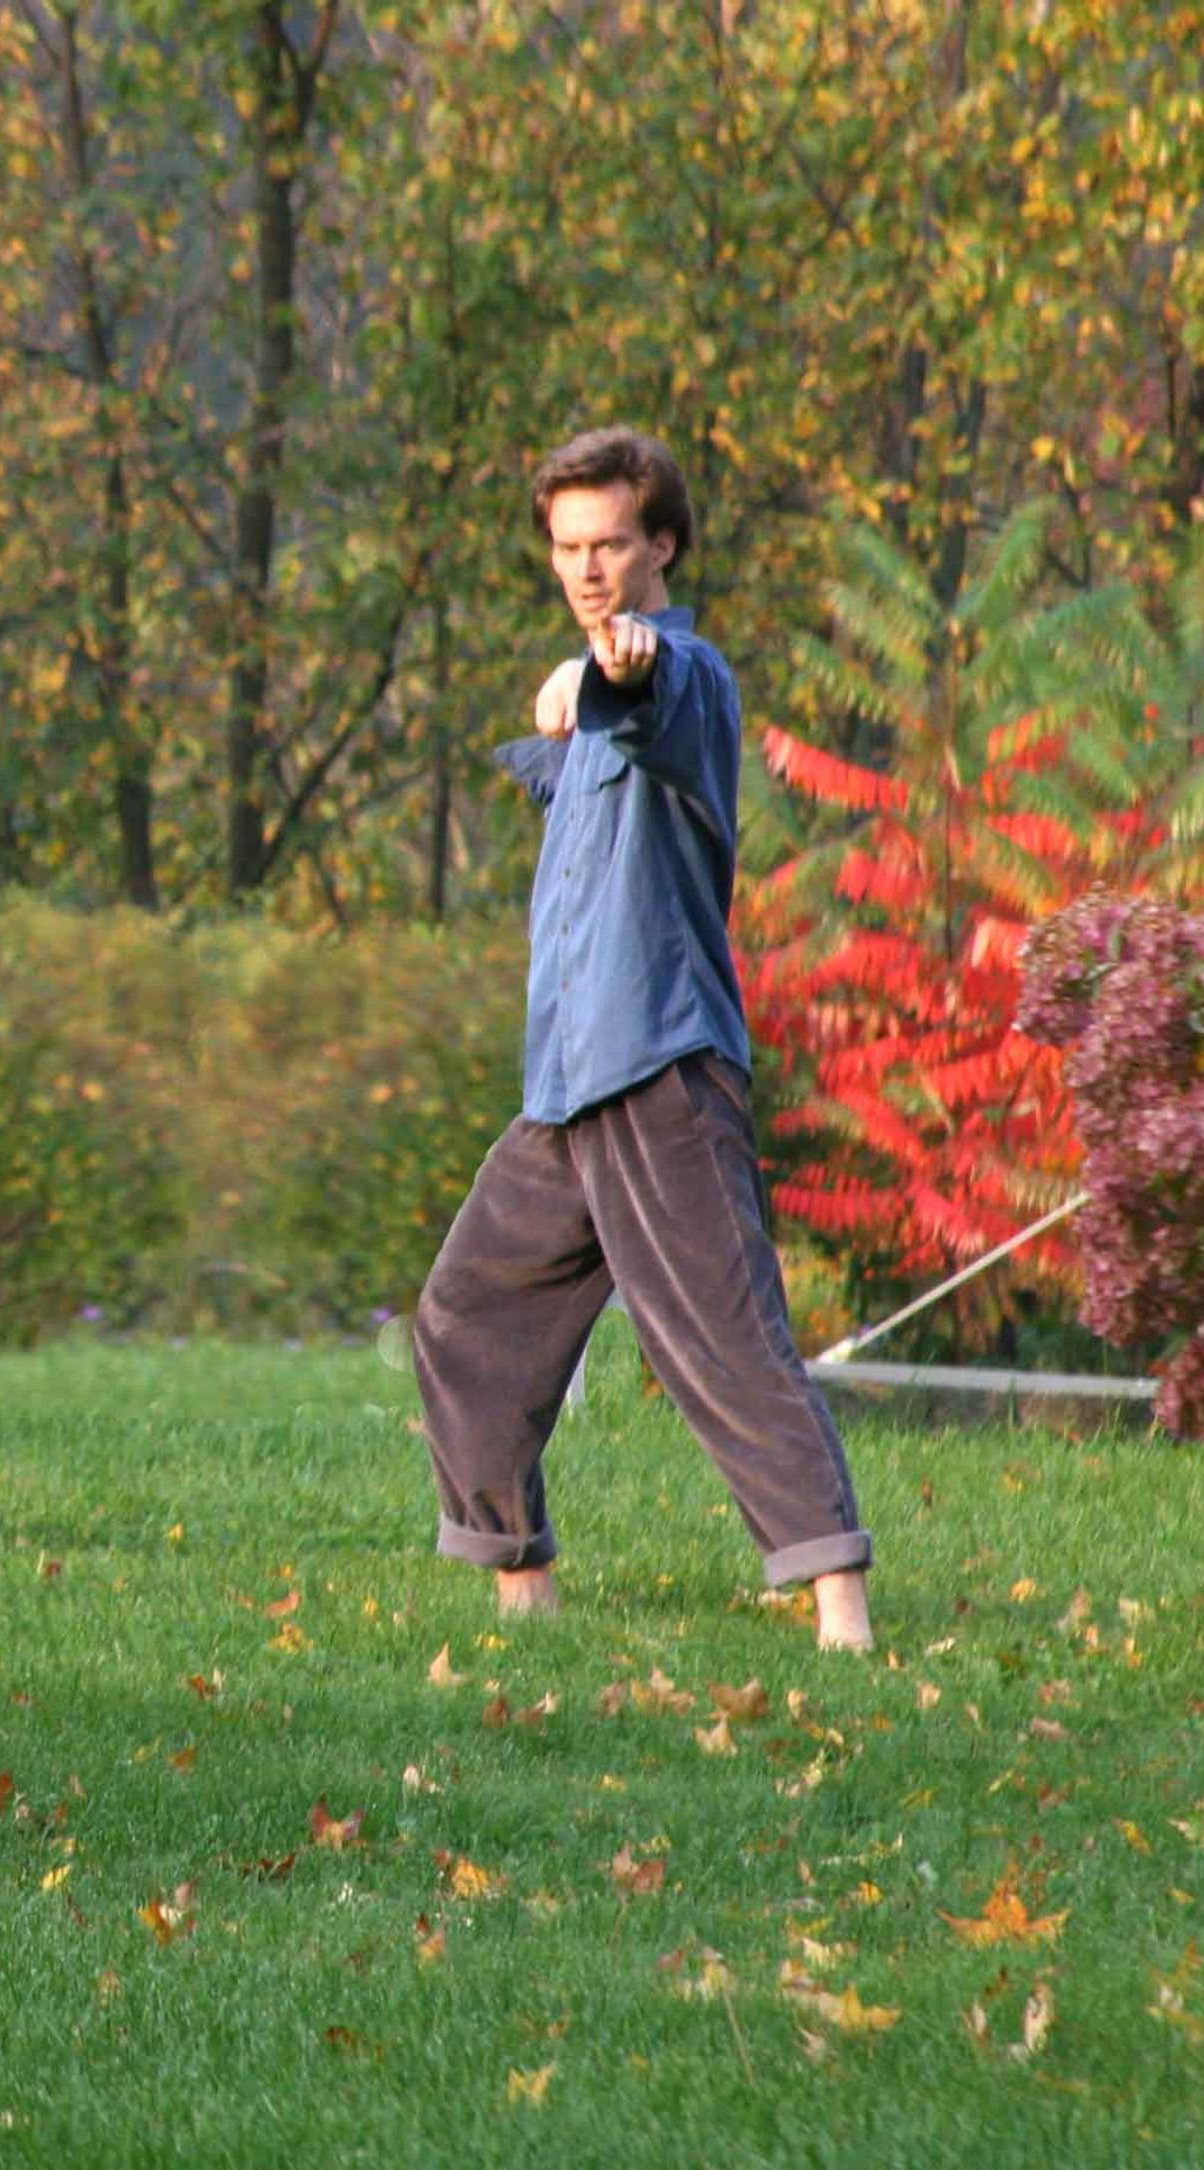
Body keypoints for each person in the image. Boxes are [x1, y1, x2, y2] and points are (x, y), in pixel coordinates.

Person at [413, 427, 876, 1652]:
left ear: (659, 542)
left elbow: (645, 691)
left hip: (663, 1075)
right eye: (568, 546)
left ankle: (841, 1604)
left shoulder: (688, 673)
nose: (587, 567)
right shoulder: (589, 691)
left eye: (610, 541)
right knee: (467, 1317)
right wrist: (562, 707)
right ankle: (522, 1589)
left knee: (725, 1345)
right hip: (563, 1091)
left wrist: (602, 676)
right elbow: (584, 721)